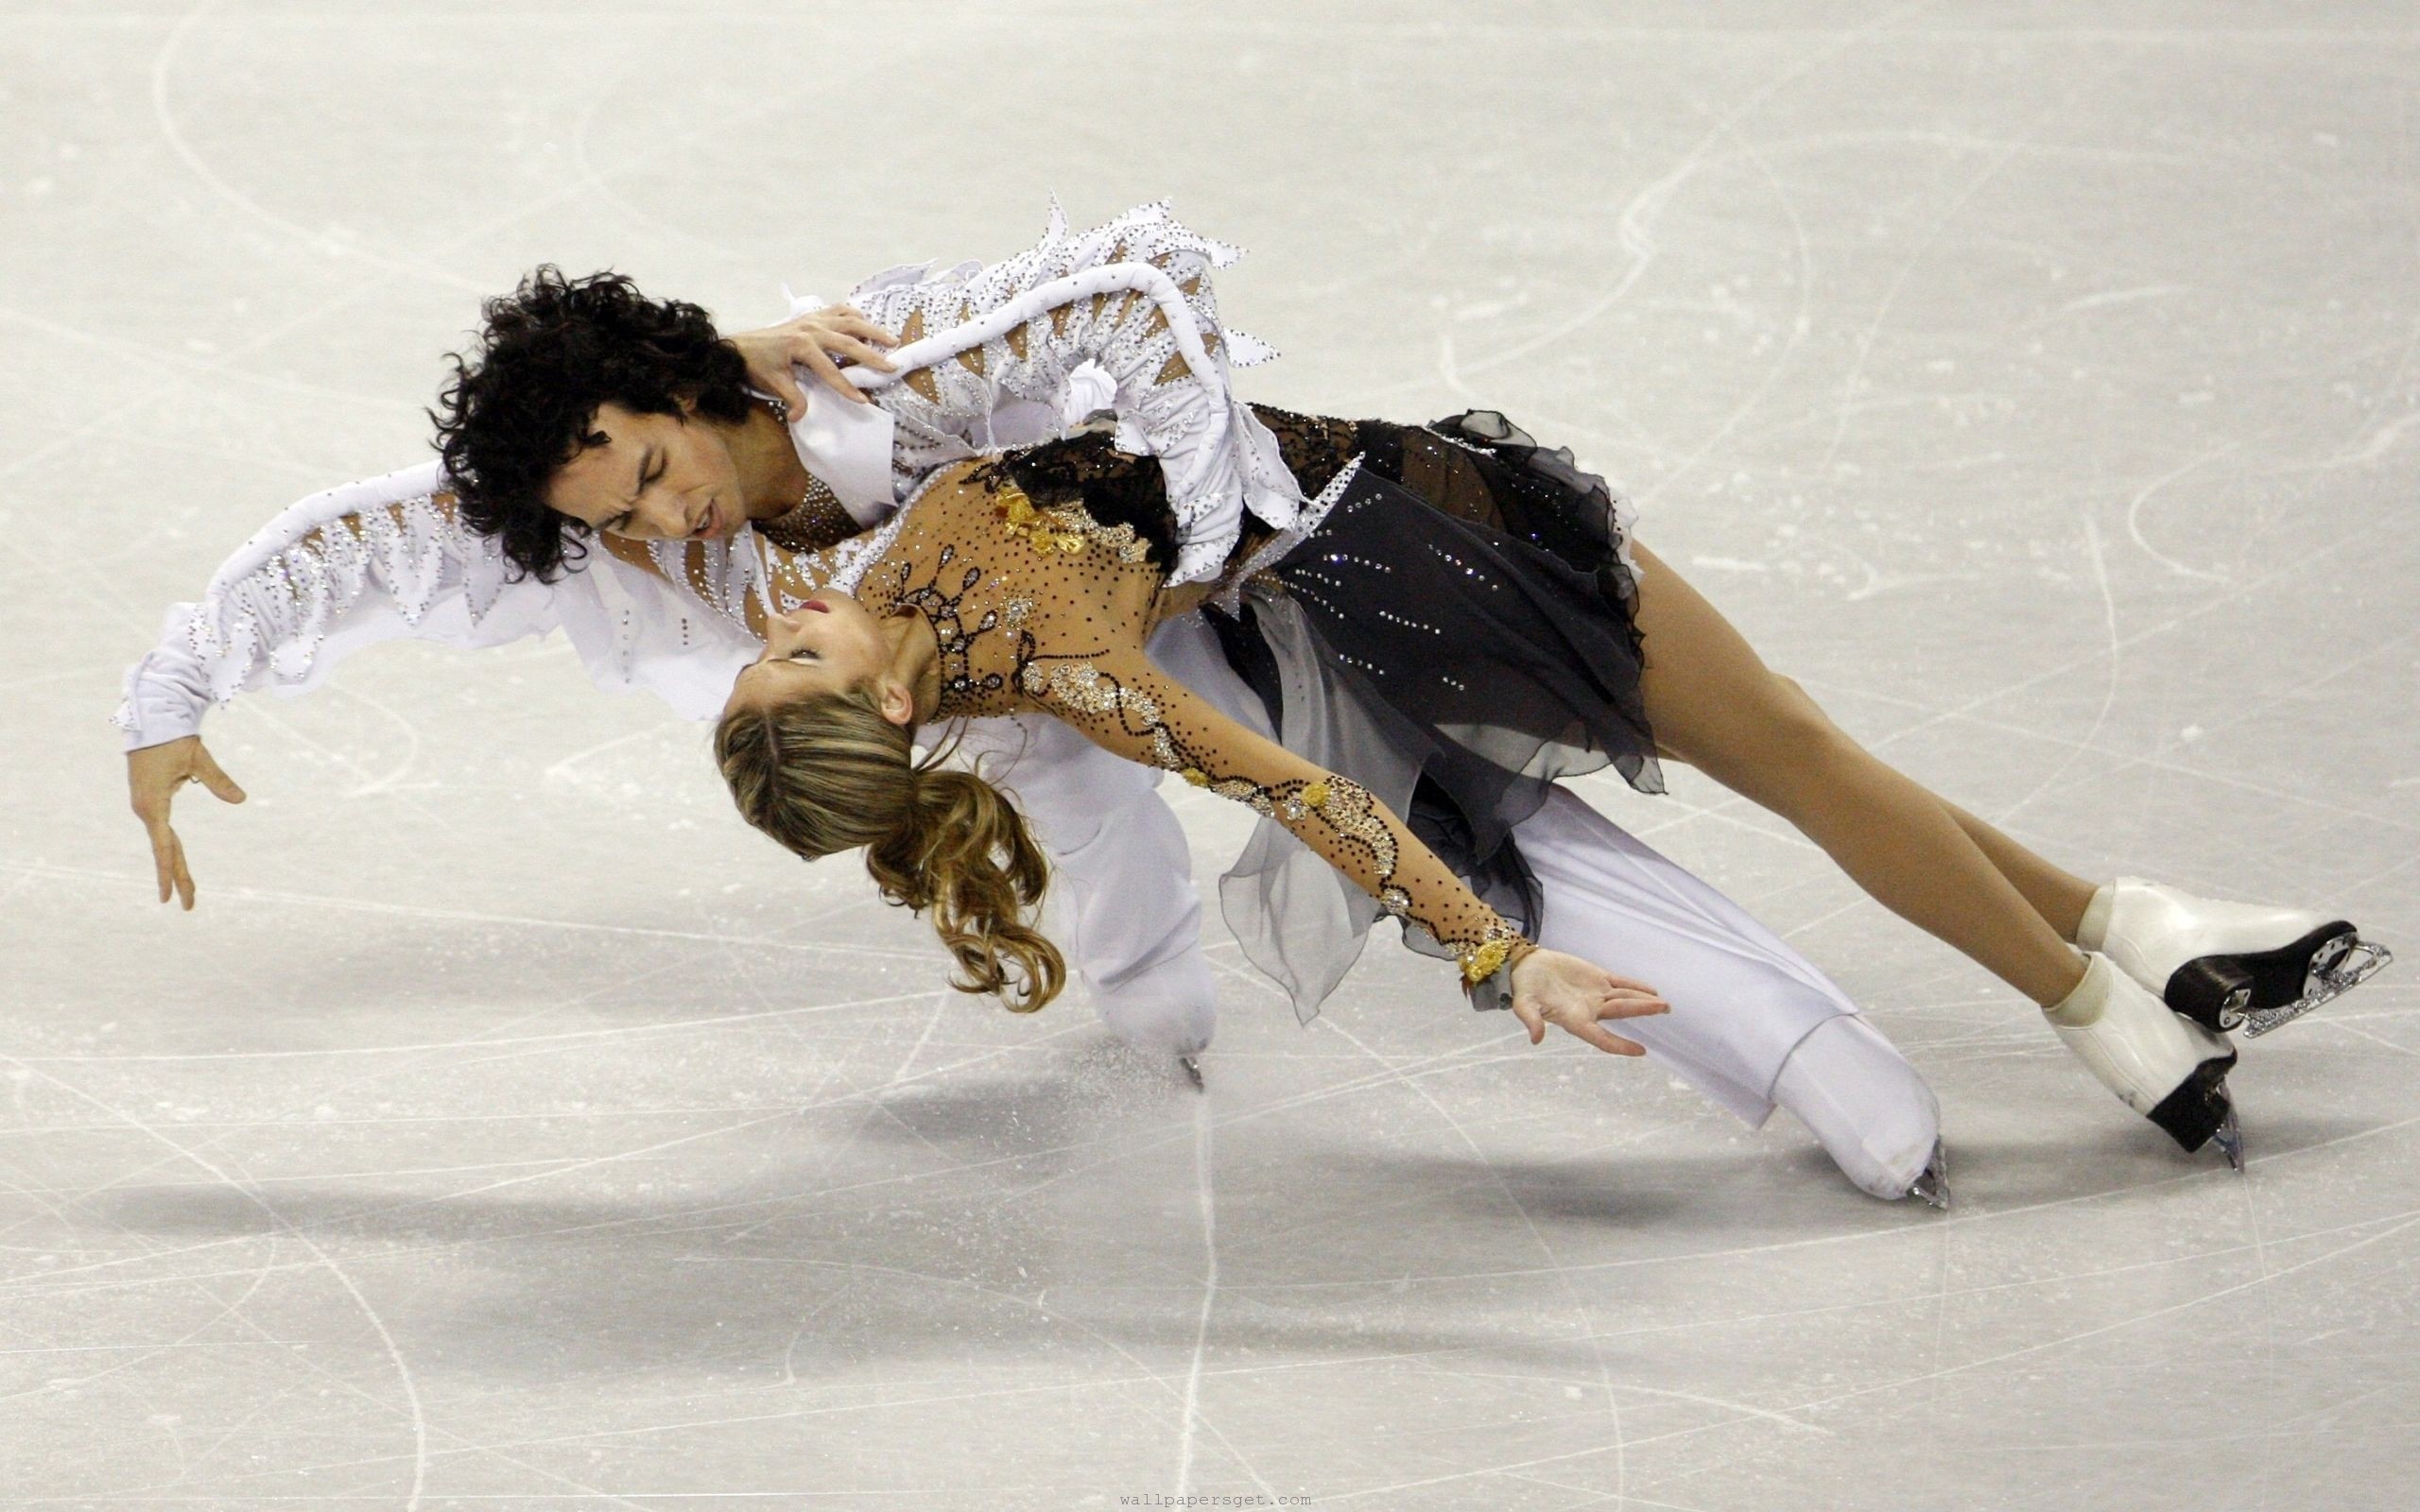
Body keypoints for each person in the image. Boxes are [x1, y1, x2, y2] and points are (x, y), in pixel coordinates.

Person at [419, 220, 2387, 1187]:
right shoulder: (1060, 671)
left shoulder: (873, 515)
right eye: (787, 648)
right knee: (1781, 743)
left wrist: (741, 337)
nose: (735, 586)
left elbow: (1081, 306)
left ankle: (2128, 933)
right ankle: (2093, 1011)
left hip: (1347, 562)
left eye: (661, 491)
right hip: (1403, 533)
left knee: (1781, 735)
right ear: (885, 715)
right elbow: (1299, 797)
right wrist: (1487, 961)